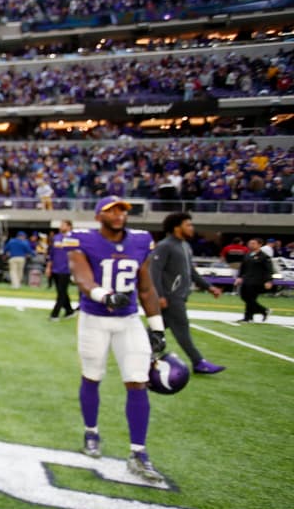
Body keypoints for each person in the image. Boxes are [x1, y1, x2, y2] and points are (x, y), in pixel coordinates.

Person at [68, 196, 167, 484]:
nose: (120, 214)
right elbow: (83, 279)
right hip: (94, 319)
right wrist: (105, 296)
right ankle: (91, 432)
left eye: (123, 210)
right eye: (113, 210)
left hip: (128, 320)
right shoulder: (81, 239)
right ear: (99, 215)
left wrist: (157, 327)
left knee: (138, 381)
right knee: (92, 376)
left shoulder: (141, 240)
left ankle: (138, 452)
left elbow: (146, 288)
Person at [148, 212, 225, 373]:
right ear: (177, 227)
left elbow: (192, 272)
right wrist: (159, 295)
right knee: (182, 329)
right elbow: (154, 272)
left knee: (155, 329)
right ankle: (198, 362)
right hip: (171, 297)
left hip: (180, 297)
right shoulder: (165, 246)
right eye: (188, 224)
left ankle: (134, 350)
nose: (192, 228)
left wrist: (209, 287)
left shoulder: (185, 246)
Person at [45, 220, 77, 320]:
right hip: (56, 268)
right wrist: (49, 267)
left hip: (66, 269)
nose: (61, 226)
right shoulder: (56, 238)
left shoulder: (74, 238)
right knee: (61, 292)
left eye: (63, 225)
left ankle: (55, 314)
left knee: (61, 293)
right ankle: (69, 311)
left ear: (69, 226)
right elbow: (52, 254)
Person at [236, 238, 275, 323]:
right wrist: (239, 277)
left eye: (253, 243)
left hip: (257, 281)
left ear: (260, 245)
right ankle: (264, 310)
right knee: (245, 297)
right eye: (250, 243)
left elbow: (269, 270)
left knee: (250, 298)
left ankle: (248, 317)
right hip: (246, 280)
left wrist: (269, 280)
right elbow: (243, 267)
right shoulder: (247, 255)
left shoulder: (264, 256)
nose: (250, 245)